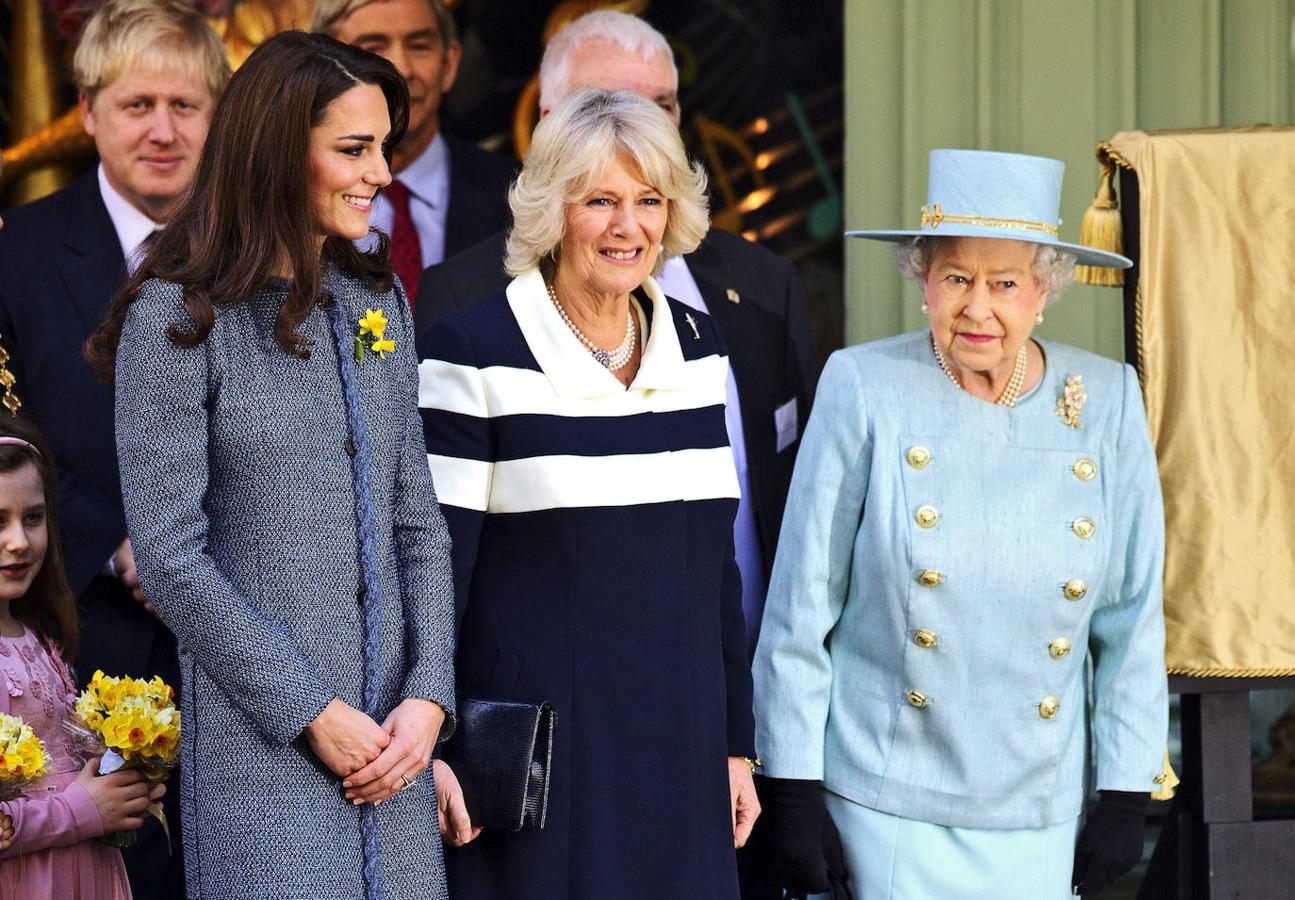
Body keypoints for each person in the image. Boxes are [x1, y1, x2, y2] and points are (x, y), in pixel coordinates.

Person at [86, 32, 457, 899]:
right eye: (354, 150)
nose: (379, 172)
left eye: (384, 149)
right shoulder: (175, 316)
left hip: (395, 758)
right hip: (265, 763)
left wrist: (427, 701)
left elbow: (417, 527)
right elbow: (173, 559)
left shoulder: (380, 300)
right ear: (280, 152)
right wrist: (312, 715)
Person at [753, 149, 1168, 899]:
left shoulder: (1106, 400)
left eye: (1004, 283)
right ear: (922, 282)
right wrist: (790, 783)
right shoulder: (864, 386)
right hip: (884, 798)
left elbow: (1131, 620)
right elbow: (801, 605)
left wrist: (1124, 792)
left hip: (1041, 805)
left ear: (1044, 290)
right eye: (955, 278)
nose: (977, 308)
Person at [419, 87, 760, 898]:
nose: (627, 226)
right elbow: (432, 578)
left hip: (682, 751)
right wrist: (430, 741)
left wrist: (735, 746)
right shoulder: (472, 352)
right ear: (550, 210)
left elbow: (716, 572)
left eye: (648, 201)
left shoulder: (698, 345)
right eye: (599, 200)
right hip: (541, 768)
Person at [0, 3, 228, 895]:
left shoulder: (263, 252)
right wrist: (123, 544)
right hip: (79, 624)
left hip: (237, 631)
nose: (163, 131)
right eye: (137, 105)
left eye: (186, 104)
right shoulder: (16, 256)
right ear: (88, 110)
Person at [0, 416, 166, 898]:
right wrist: (84, 810)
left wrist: (121, 779)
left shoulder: (39, 637)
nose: (19, 541)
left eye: (33, 518)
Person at [313, 0, 515, 305]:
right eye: (374, 46)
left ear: (449, 63)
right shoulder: (288, 199)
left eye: (419, 46)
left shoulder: (516, 195)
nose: (402, 69)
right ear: (322, 67)